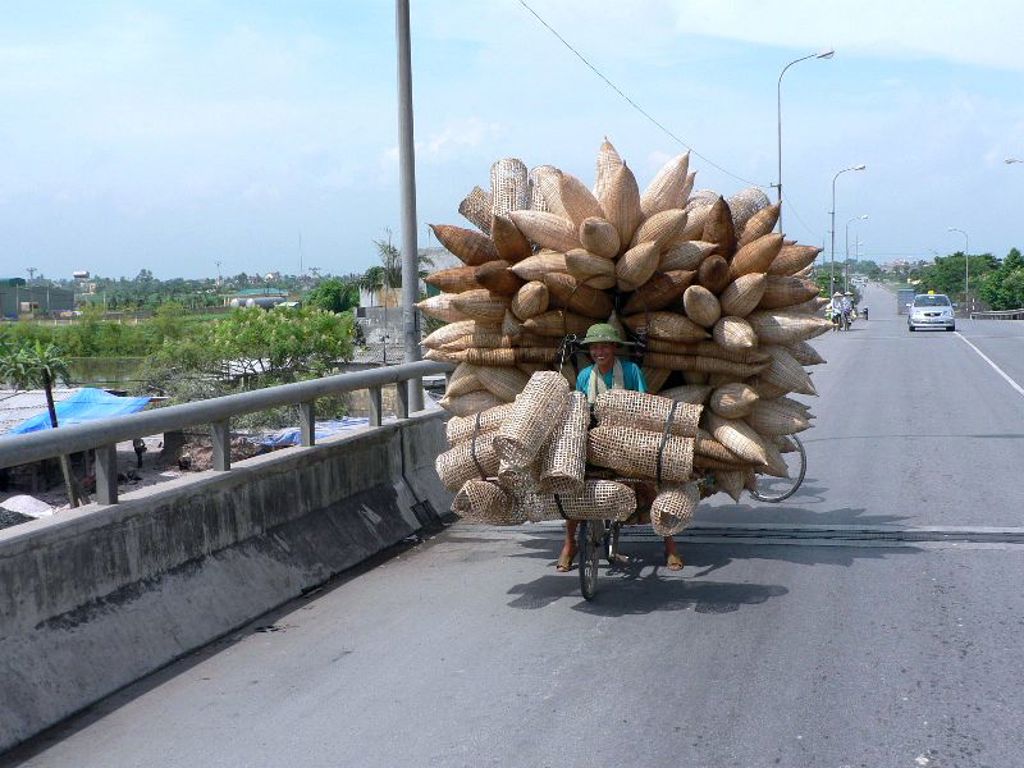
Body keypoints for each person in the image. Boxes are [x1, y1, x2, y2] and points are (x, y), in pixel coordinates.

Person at [556, 323, 685, 572]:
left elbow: (643, 406)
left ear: (614, 347)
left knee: (654, 486)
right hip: (594, 443)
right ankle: (569, 544)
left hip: (629, 442)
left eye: (604, 345)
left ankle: (670, 546)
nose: (599, 351)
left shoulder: (630, 371)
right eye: (594, 347)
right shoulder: (585, 376)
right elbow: (579, 411)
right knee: (571, 487)